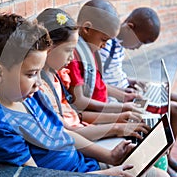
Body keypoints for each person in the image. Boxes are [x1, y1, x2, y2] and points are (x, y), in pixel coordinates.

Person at [0, 13, 168, 177]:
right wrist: (108, 174)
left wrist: (109, 156)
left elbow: (63, 134)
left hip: (85, 166)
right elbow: (37, 176)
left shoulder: (28, 96)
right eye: (31, 74)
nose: (39, 83)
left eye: (40, 72)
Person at [99, 7, 177, 177]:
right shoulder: (105, 45)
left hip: (127, 91)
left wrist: (132, 82)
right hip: (118, 101)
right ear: (130, 27)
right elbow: (99, 84)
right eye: (140, 42)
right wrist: (124, 93)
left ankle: (168, 155)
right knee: (176, 111)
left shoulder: (118, 44)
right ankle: (164, 158)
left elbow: (113, 74)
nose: (138, 47)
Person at [36, 8, 150, 142]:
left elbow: (76, 115)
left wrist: (121, 112)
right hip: (85, 133)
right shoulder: (45, 83)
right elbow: (71, 122)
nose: (105, 45)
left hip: (87, 126)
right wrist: (116, 125)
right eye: (104, 39)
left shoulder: (84, 57)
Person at [65, 0, 142, 119]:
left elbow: (98, 85)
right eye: (104, 39)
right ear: (86, 28)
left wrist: (123, 95)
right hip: (94, 117)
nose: (105, 45)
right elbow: (79, 101)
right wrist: (122, 108)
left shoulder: (91, 50)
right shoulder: (73, 56)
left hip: (104, 108)